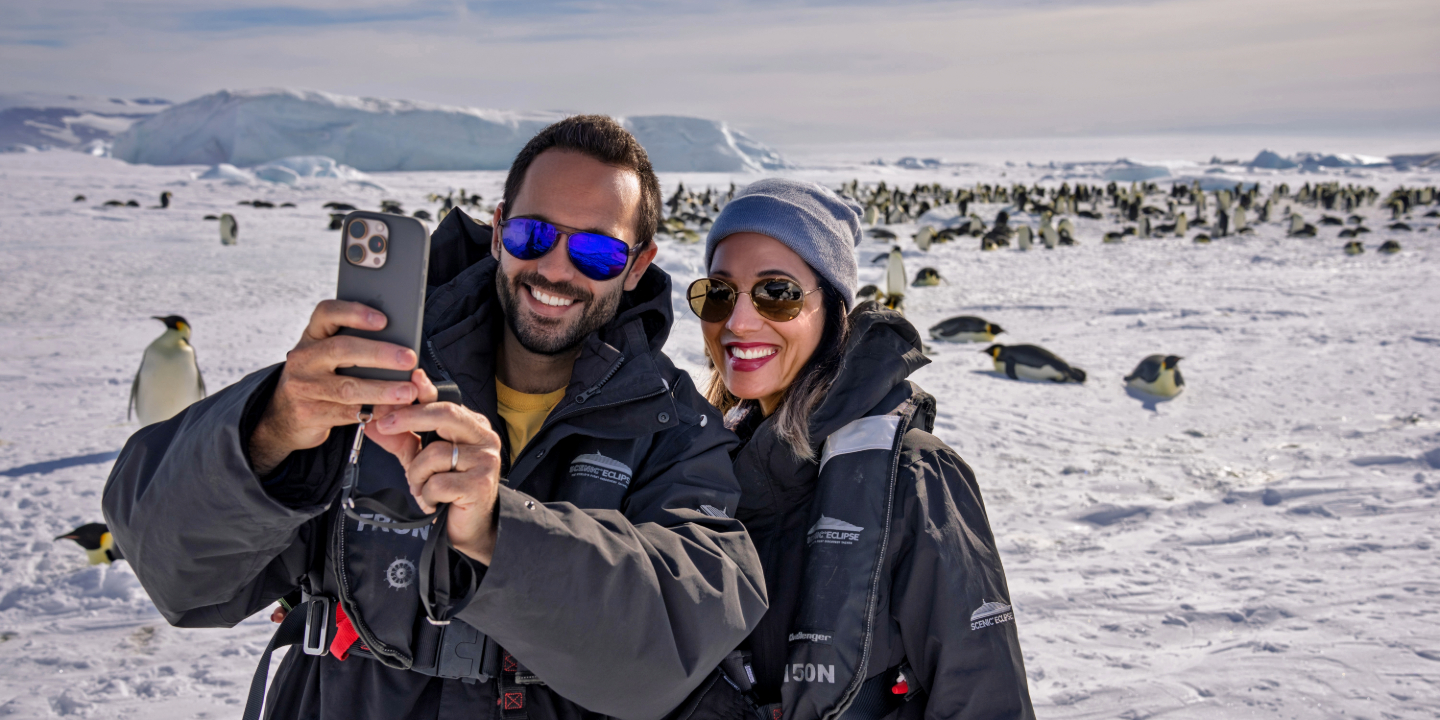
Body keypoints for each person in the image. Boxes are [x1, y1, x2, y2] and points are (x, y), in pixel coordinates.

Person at [102, 115, 768, 720]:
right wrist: (270, 431)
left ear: (638, 265)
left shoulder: (675, 431)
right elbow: (178, 574)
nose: (554, 270)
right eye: (533, 235)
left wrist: (499, 529)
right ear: (499, 230)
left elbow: (672, 648)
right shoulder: (363, 381)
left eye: (597, 253)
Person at [685, 179, 1033, 719]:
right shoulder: (699, 465)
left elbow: (985, 700)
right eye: (719, 293)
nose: (739, 321)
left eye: (778, 292)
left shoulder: (915, 474)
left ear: (834, 309)